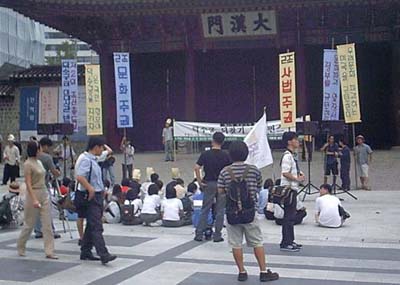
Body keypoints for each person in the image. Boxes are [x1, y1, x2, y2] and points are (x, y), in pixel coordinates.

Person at [217, 141, 279, 282]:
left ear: (230, 155)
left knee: (236, 243)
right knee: (257, 242)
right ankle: (263, 271)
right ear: (246, 154)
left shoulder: (225, 172)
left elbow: (221, 191)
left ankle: (242, 271)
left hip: (232, 212)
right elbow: (258, 187)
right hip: (250, 212)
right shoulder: (254, 170)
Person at [75, 136, 117, 264]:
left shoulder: (94, 158)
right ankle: (103, 253)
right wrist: (91, 189)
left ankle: (86, 251)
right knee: (96, 226)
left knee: (92, 225)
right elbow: (80, 177)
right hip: (90, 196)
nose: (102, 149)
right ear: (96, 147)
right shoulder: (85, 160)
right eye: (101, 147)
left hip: (97, 195)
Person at [17, 141, 58, 259]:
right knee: (29, 224)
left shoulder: (39, 162)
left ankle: (49, 251)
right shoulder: (27, 164)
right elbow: (28, 183)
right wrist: (34, 199)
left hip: (43, 191)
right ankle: (21, 245)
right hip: (33, 193)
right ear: (36, 149)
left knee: (47, 224)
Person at [194, 132, 231, 242]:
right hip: (221, 184)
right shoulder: (226, 155)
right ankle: (217, 235)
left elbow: (196, 167)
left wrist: (200, 181)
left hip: (208, 183)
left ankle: (199, 234)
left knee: (205, 209)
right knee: (220, 210)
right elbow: (229, 171)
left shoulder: (206, 154)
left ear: (212, 140)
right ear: (223, 142)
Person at [280, 132, 305, 252]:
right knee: (288, 217)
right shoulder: (287, 156)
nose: (297, 141)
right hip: (288, 190)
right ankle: (286, 242)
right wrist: (296, 178)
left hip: (293, 189)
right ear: (289, 142)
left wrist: (298, 174)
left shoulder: (292, 155)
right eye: (295, 139)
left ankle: (290, 240)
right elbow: (285, 172)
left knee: (291, 216)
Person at [34, 137, 61, 239]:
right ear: (44, 146)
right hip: (43, 187)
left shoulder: (33, 156)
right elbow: (54, 172)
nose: (49, 149)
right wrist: (58, 172)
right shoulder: (47, 157)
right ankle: (51, 231)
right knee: (47, 210)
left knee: (36, 210)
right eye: (48, 147)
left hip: (33, 187)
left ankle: (38, 231)